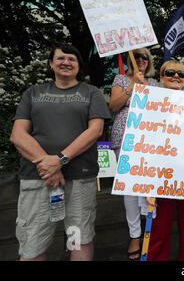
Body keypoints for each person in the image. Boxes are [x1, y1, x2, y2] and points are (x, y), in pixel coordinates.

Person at [10, 43, 111, 261]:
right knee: (32, 242)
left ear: (78, 65)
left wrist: (60, 159)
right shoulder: (33, 93)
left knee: (78, 238)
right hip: (38, 178)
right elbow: (18, 135)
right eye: (60, 58)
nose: (66, 62)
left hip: (79, 179)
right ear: (51, 63)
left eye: (72, 59)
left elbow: (96, 130)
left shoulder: (91, 93)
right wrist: (50, 165)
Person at [145, 60, 184, 261]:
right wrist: (146, 184)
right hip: (160, 177)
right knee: (159, 232)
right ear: (161, 77)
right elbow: (142, 141)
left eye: (181, 74)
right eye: (170, 72)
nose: (176, 76)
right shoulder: (148, 103)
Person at [109, 47, 159, 260]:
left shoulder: (156, 83)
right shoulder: (120, 79)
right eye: (137, 57)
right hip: (126, 138)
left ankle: (149, 229)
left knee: (149, 185)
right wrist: (132, 86)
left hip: (151, 140)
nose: (141, 60)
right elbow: (113, 105)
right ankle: (135, 235)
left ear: (149, 61)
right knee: (130, 188)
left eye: (144, 57)